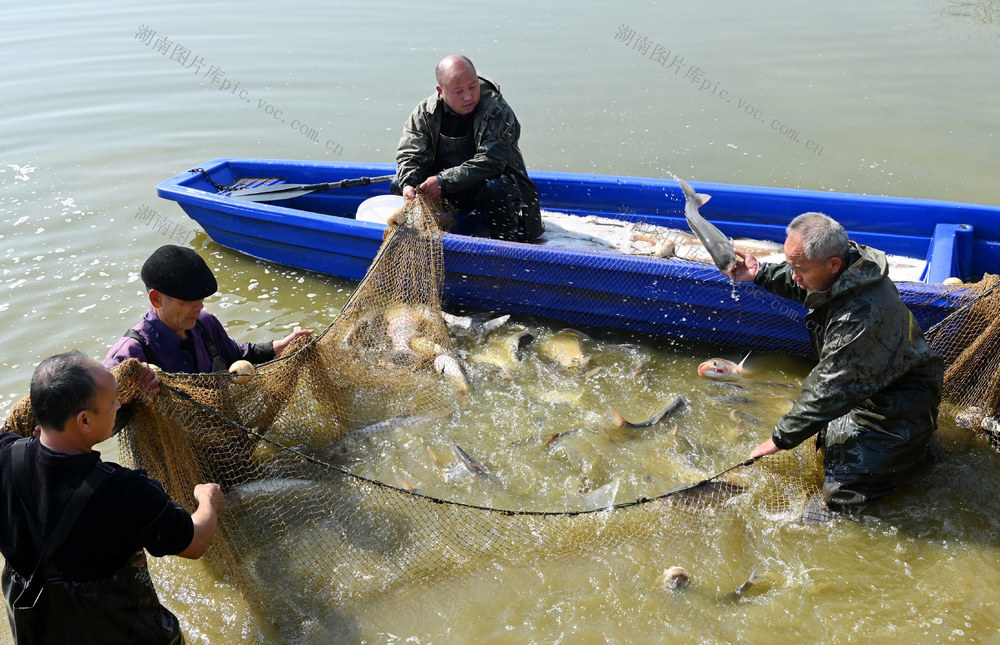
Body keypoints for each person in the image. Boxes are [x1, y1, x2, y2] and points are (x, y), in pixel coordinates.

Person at [1, 351, 225, 643]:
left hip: (38, 628)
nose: (120, 404)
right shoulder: (125, 490)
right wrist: (208, 501)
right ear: (83, 420)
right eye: (113, 402)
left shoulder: (5, 456)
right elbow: (194, 543)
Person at [727, 212, 943, 510]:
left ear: (833, 264)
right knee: (824, 433)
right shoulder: (853, 269)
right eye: (790, 266)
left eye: (799, 268)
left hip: (896, 410)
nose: (793, 276)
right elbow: (808, 284)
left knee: (838, 493)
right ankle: (908, 454)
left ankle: (902, 462)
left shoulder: (860, 316)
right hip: (878, 386)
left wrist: (779, 439)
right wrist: (760, 273)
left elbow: (828, 386)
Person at [394, 54, 544, 243]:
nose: (468, 96)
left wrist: (442, 181)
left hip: (485, 185)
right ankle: (436, 238)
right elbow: (410, 154)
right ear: (441, 91)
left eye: (473, 87)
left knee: (498, 188)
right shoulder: (425, 113)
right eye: (458, 91)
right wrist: (408, 183)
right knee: (399, 184)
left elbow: (492, 161)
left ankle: (508, 247)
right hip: (448, 189)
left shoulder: (496, 110)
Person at [104, 244, 312, 373]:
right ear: (157, 298)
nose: (200, 306)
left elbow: (236, 355)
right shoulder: (128, 355)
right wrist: (134, 391)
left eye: (201, 298)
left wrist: (277, 347)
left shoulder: (204, 323)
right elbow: (98, 419)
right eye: (189, 300)